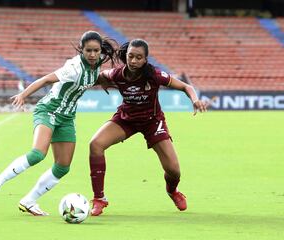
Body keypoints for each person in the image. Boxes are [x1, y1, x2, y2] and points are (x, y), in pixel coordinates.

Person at [0, 31, 117, 216]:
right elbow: (46, 79)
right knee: (37, 154)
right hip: (48, 110)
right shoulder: (74, 67)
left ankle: (29, 201)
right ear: (81, 50)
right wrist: (23, 95)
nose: (92, 55)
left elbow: (96, 77)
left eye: (96, 51)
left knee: (62, 167)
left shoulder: (96, 65)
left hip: (67, 117)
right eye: (88, 51)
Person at [89, 39, 209, 216]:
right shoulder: (117, 74)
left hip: (152, 122)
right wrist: (100, 81)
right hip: (126, 119)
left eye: (139, 57)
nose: (134, 61)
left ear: (145, 59)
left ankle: (172, 191)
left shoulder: (155, 75)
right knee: (95, 144)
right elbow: (97, 77)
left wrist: (195, 100)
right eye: (131, 56)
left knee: (174, 170)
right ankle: (99, 199)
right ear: (126, 56)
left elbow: (186, 86)